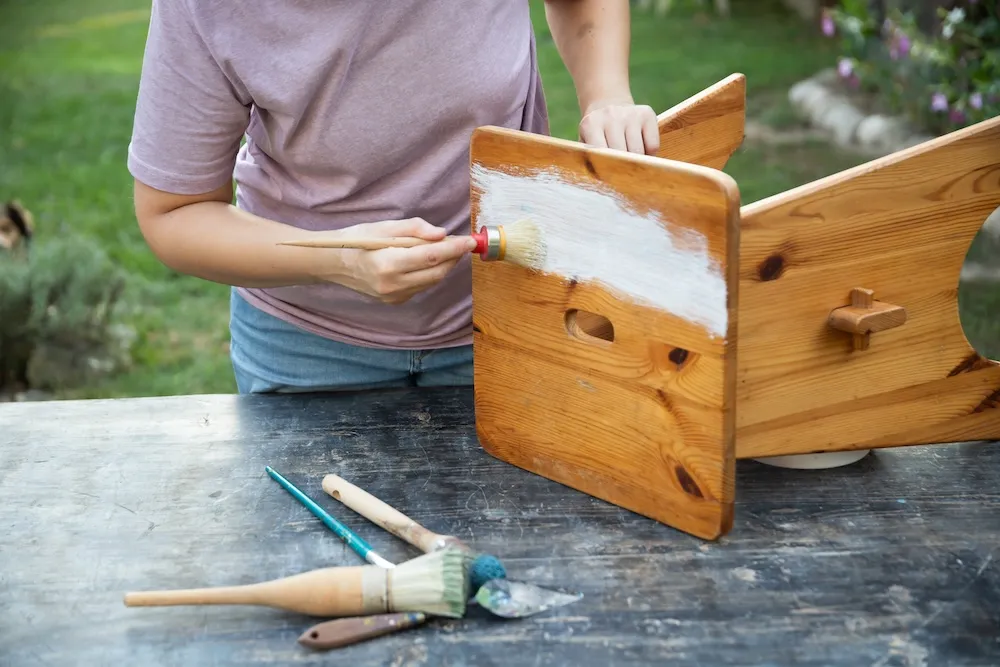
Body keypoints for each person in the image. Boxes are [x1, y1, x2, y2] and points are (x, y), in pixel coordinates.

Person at [127, 1, 660, 394]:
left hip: (515, 319)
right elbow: (174, 212)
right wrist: (336, 260)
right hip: (304, 351)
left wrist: (607, 92)